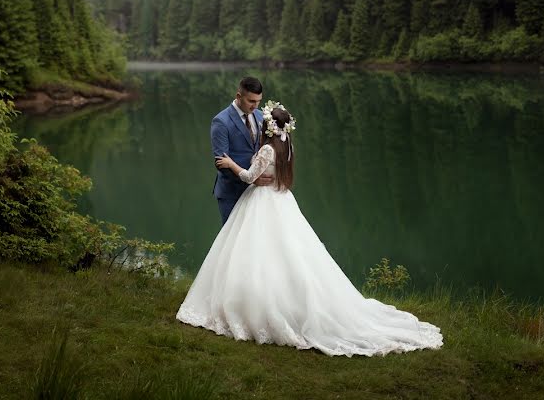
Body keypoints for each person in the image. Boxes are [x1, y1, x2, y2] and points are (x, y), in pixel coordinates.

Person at [177, 101, 444, 356]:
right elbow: (277, 176)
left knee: (258, 252)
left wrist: (231, 164)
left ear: (269, 128)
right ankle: (278, 297)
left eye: (265, 123)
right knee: (287, 253)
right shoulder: (287, 147)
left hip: (262, 201)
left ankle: (257, 303)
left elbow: (249, 177)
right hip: (281, 200)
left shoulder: (267, 150)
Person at [210, 77, 273, 224]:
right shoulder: (221, 121)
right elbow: (221, 163)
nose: (255, 106)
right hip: (232, 192)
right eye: (251, 101)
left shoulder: (260, 116)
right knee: (233, 242)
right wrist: (250, 179)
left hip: (257, 193)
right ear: (238, 96)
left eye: (258, 101)